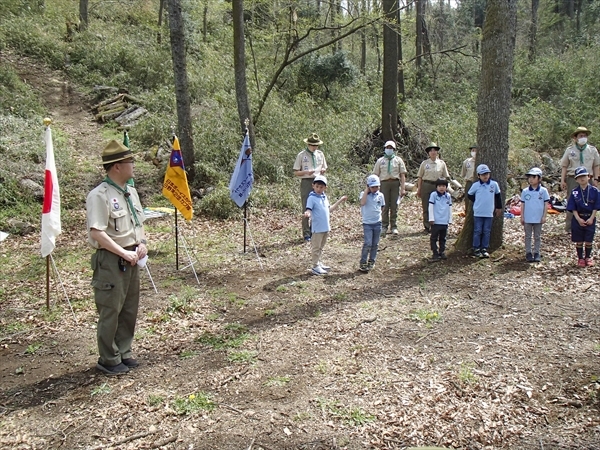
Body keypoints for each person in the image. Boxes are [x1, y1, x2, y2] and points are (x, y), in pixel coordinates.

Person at [86, 140, 148, 375]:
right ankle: (108, 357)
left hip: (132, 257)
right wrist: (123, 252)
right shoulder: (99, 195)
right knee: (110, 309)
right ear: (117, 167)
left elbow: (138, 223)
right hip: (112, 260)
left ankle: (124, 351)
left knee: (129, 308)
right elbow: (97, 232)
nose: (133, 166)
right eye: (129, 162)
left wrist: (141, 243)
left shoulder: (129, 192)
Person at [303, 175, 347, 275]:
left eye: (321, 187)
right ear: (313, 186)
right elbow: (309, 209)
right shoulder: (311, 198)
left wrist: (340, 200)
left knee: (321, 247)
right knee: (316, 247)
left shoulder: (324, 197)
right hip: (317, 228)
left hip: (325, 227)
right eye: (317, 186)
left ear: (325, 188)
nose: (319, 189)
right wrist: (307, 213)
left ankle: (318, 263)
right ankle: (315, 266)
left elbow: (329, 209)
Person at [560, 127, 600, 232]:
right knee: (572, 201)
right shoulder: (570, 150)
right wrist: (562, 180)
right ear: (575, 138)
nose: (583, 138)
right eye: (581, 136)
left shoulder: (592, 150)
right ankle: (570, 227)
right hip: (573, 178)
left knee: (589, 201)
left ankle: (588, 226)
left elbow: (596, 166)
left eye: (585, 136)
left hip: (588, 178)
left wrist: (596, 179)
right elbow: (564, 166)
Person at [293, 133, 328, 242]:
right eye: (312, 145)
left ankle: (315, 230)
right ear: (308, 144)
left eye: (316, 145)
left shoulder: (320, 154)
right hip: (307, 181)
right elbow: (296, 172)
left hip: (319, 180)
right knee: (307, 207)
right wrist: (306, 172)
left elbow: (324, 167)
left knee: (319, 207)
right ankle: (306, 233)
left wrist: (322, 170)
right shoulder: (301, 155)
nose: (314, 147)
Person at [566, 166, 599, 267]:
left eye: (584, 176)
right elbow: (572, 207)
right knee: (579, 239)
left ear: (589, 177)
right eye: (579, 177)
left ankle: (588, 257)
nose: (582, 178)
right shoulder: (574, 192)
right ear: (576, 179)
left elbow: (596, 206)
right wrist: (578, 219)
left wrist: (592, 217)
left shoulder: (595, 191)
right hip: (578, 218)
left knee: (589, 239)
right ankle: (580, 258)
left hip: (590, 217)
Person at [467, 164, 502, 258]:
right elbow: (469, 194)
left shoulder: (494, 184)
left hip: (489, 212)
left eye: (487, 174)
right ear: (478, 176)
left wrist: (499, 207)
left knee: (486, 230)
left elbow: (498, 196)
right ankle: (476, 248)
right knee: (478, 230)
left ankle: (484, 248)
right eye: (483, 174)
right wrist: (477, 200)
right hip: (478, 212)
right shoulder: (476, 185)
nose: (485, 176)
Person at [372, 140, 406, 236]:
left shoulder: (398, 160)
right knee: (384, 205)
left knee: (394, 205)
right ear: (385, 148)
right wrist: (375, 188)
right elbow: (375, 175)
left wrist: (403, 188)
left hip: (395, 183)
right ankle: (384, 226)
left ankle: (394, 226)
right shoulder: (380, 161)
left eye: (391, 148)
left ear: (394, 149)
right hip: (384, 184)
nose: (389, 149)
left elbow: (402, 175)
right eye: (387, 148)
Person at [416, 143, 450, 233]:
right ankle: (427, 226)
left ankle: (437, 225)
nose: (433, 152)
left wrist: (445, 188)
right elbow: (420, 177)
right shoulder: (424, 163)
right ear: (428, 153)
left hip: (438, 186)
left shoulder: (442, 163)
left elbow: (446, 177)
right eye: (431, 150)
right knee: (426, 206)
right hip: (426, 185)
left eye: (435, 150)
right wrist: (419, 189)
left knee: (438, 206)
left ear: (437, 152)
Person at [520, 167, 550, 263]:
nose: (531, 179)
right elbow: (523, 204)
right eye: (529, 177)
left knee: (537, 236)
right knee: (528, 236)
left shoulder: (543, 191)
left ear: (539, 178)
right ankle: (528, 252)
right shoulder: (525, 191)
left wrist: (544, 216)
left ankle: (536, 253)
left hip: (538, 218)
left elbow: (546, 204)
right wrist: (522, 216)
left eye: (534, 177)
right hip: (528, 218)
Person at [359, 175, 385, 272]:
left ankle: (372, 261)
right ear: (368, 186)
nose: (375, 189)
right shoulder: (363, 194)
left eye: (377, 186)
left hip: (377, 222)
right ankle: (363, 262)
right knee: (367, 243)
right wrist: (366, 191)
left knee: (375, 243)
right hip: (367, 223)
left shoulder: (380, 195)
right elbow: (362, 203)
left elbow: (382, 207)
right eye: (372, 187)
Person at [428, 178, 453, 261]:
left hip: (444, 221)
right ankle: (434, 252)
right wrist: (431, 218)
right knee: (434, 237)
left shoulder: (448, 196)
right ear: (436, 187)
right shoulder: (433, 195)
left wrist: (450, 219)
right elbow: (430, 207)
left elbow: (450, 208)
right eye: (439, 186)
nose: (441, 188)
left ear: (446, 187)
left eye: (443, 186)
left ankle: (441, 252)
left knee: (443, 238)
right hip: (436, 221)